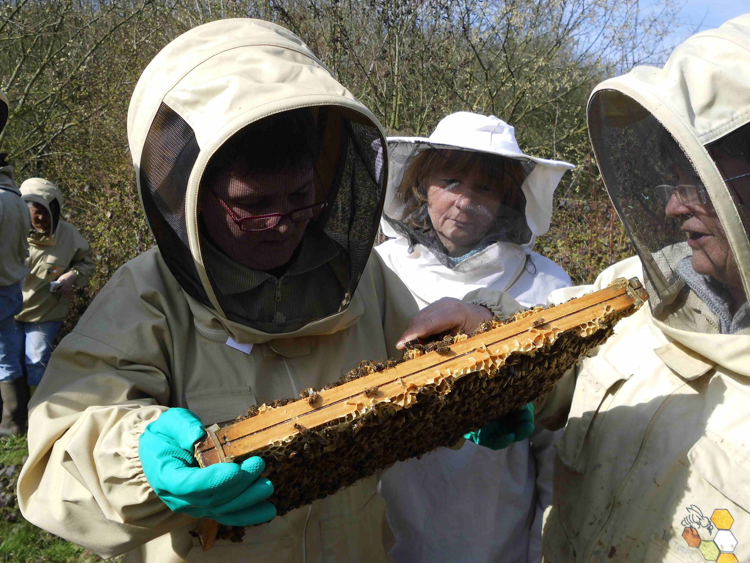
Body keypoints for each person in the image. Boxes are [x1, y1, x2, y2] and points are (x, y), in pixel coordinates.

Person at [16, 19, 511, 562]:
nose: (284, 221)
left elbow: (427, 369)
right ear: (189, 196)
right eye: (253, 204)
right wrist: (135, 459)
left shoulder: (361, 278)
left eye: (301, 195)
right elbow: (55, 464)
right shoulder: (145, 296)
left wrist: (486, 374)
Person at [473, 14, 750, 562]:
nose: (672, 207)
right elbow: (564, 360)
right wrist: (494, 344)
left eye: (698, 182)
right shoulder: (633, 288)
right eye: (672, 180)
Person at [376, 112, 574, 562]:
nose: (464, 201)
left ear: (508, 199)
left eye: (484, 188)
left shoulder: (547, 285)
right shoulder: (380, 271)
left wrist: (542, 551)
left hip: (494, 538)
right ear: (422, 184)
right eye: (450, 181)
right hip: (387, 535)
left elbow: (557, 438)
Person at [16, 178, 94, 395]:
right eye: (35, 212)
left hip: (46, 312)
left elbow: (87, 263)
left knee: (36, 361)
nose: (41, 218)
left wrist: (72, 275)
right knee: (10, 362)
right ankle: (14, 409)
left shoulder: (69, 235)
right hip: (11, 310)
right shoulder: (11, 230)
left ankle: (36, 407)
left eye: (45, 212)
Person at [0, 89, 32, 436]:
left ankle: (11, 421)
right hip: (10, 287)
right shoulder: (15, 197)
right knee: (6, 354)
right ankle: (12, 421)